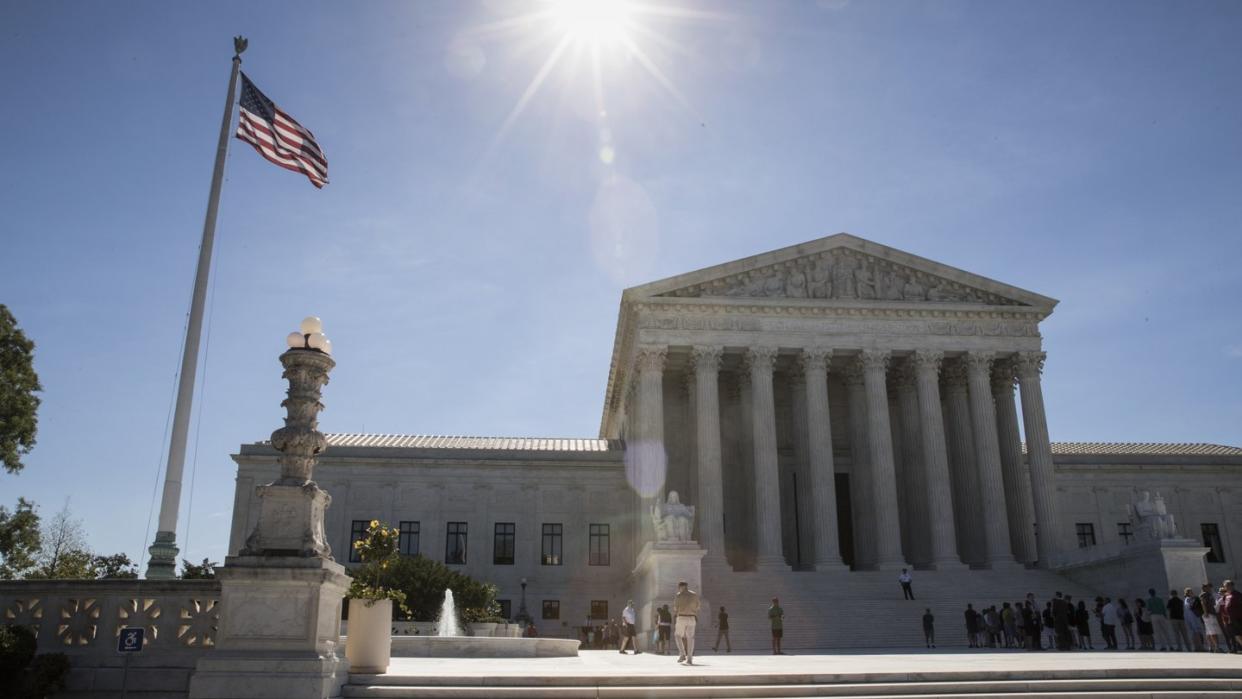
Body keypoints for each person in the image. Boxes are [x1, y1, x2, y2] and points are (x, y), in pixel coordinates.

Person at [673, 580, 701, 665]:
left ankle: (682, 654)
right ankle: (689, 659)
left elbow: (675, 608)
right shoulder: (694, 594)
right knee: (690, 638)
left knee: (677, 635)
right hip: (692, 618)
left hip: (681, 617)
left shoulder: (679, 595)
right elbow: (698, 606)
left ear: (681, 587)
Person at [1200, 585, 1224, 652]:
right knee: (1212, 631)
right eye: (1208, 587)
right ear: (1204, 588)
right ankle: (1216, 647)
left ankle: (1212, 647)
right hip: (1209, 614)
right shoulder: (1204, 595)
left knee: (1210, 631)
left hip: (1211, 614)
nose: (1210, 588)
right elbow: (1203, 603)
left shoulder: (1209, 594)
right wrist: (1206, 612)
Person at [1221, 580, 1242, 653]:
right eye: (1225, 586)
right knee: (1236, 634)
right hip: (1231, 618)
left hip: (1239, 617)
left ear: (1231, 586)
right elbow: (1224, 606)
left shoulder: (1237, 594)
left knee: (1239, 633)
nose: (1225, 587)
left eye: (1227, 585)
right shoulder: (1226, 595)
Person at [1184, 587, 1205, 651]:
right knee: (1195, 632)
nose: (1192, 593)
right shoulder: (1187, 599)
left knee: (1198, 631)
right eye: (1190, 592)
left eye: (1192, 592)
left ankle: (1200, 646)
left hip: (1195, 617)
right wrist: (1195, 600)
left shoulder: (1193, 599)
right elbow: (1190, 606)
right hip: (1192, 618)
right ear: (1187, 593)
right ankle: (1197, 647)